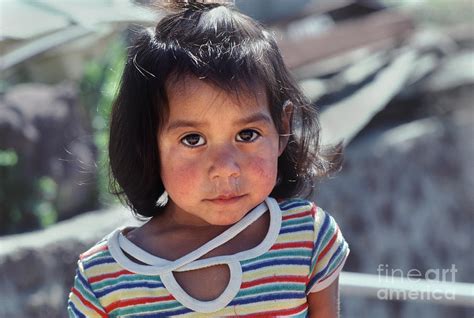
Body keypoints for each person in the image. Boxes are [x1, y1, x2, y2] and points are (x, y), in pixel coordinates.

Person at [67, 0, 349, 316]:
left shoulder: (306, 237)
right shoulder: (104, 281)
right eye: (193, 139)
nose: (225, 169)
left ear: (282, 129)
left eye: (247, 135)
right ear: (148, 144)